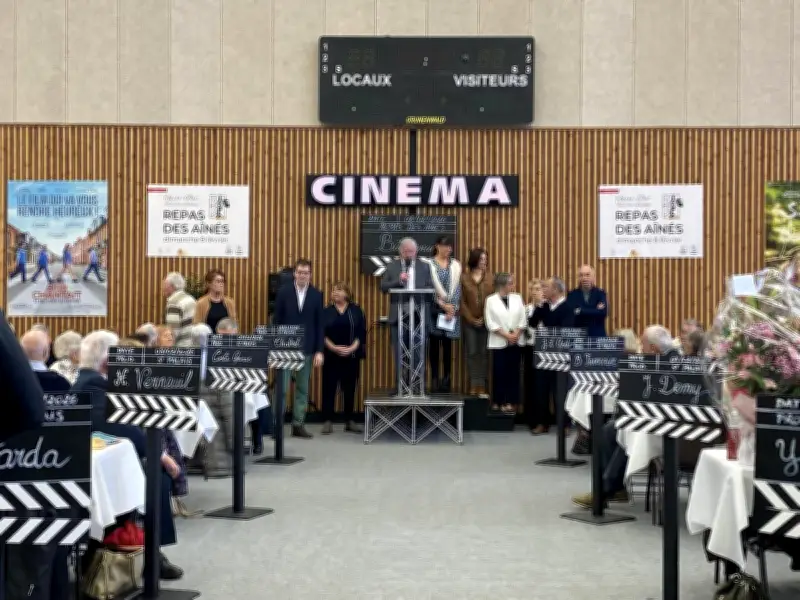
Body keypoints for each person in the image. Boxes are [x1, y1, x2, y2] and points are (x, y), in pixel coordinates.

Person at [71, 331, 183, 579]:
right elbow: (116, 426)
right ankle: (153, 554)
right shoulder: (93, 385)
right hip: (95, 469)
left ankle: (149, 550)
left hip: (99, 462)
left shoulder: (89, 381)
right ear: (108, 361)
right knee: (158, 475)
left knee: (154, 471)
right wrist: (160, 454)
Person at [571, 325, 677, 509]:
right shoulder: (654, 358)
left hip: (667, 428)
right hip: (646, 418)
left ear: (653, 347)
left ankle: (603, 490)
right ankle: (617, 488)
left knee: (629, 433)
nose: (639, 346)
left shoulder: (674, 363)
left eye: (642, 343)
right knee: (607, 431)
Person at [273, 259, 324, 439]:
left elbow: (319, 325)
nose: (303, 275)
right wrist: (275, 347)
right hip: (285, 349)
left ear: (310, 274)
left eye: (306, 272)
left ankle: (298, 424)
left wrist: (319, 351)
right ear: (294, 273)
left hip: (308, 348)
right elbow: (276, 321)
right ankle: (276, 425)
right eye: (300, 272)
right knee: (282, 389)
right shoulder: (283, 292)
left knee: (302, 389)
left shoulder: (317, 295)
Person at [380, 238, 435, 396]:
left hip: (418, 317)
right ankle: (400, 386)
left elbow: (431, 287)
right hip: (398, 318)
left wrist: (423, 289)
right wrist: (398, 280)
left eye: (411, 251)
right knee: (399, 353)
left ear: (416, 252)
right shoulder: (392, 266)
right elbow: (383, 287)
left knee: (418, 353)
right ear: (400, 252)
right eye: (405, 251)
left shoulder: (425, 266)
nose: (408, 254)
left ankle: (418, 386)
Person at [528, 277, 575, 434]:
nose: (543, 290)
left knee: (560, 390)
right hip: (543, 353)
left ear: (555, 290)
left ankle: (565, 424)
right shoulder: (545, 306)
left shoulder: (568, 307)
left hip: (561, 355)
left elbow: (566, 329)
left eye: (546, 287)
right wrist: (538, 306)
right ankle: (542, 422)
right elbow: (533, 323)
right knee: (541, 388)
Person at [321, 282, 366, 434]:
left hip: (351, 355)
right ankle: (327, 420)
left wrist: (352, 348)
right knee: (329, 388)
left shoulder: (356, 310)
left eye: (339, 290)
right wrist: (333, 348)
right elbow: (322, 334)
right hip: (331, 355)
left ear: (347, 293)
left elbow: (361, 333)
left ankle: (349, 420)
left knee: (350, 388)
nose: (335, 293)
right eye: (333, 290)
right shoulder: (326, 311)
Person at [484, 273, 527, 413]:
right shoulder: (490, 300)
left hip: (516, 341)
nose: (513, 285)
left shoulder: (517, 298)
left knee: (514, 373)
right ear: (502, 285)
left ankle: (511, 401)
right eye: (510, 283)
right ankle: (498, 400)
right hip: (499, 341)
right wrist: (506, 335)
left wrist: (516, 334)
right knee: (499, 373)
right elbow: (490, 322)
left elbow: (523, 318)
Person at [427, 236, 461, 393]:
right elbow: (428, 288)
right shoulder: (429, 265)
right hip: (434, 310)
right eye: (446, 246)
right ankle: (434, 379)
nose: (449, 249)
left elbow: (457, 289)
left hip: (450, 314)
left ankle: (446, 379)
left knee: (447, 346)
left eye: (450, 246)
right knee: (434, 345)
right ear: (437, 246)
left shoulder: (455, 265)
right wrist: (443, 305)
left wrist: (452, 308)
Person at [460, 248, 493, 397]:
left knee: (484, 353)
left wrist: (485, 318)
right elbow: (461, 302)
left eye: (485, 259)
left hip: (487, 322)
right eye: (481, 259)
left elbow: (494, 301)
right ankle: (474, 384)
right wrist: (471, 319)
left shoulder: (491, 278)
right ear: (474, 260)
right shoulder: (464, 278)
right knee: (472, 353)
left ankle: (483, 385)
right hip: (469, 323)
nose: (484, 262)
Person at [523, 279, 544, 432]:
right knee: (530, 384)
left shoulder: (547, 308)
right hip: (529, 348)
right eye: (533, 289)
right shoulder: (526, 309)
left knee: (541, 386)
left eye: (538, 289)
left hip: (544, 349)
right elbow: (526, 327)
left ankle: (542, 420)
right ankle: (531, 419)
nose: (536, 291)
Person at [567, 264, 608, 337]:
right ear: (578, 278)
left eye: (587, 275)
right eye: (581, 275)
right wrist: (595, 310)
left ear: (593, 277)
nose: (584, 278)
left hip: (598, 338)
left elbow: (603, 313)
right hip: (579, 338)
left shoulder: (601, 293)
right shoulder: (572, 295)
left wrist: (581, 310)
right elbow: (572, 314)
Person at [194, 269, 238, 333]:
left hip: (226, 340)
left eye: (222, 281)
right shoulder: (201, 303)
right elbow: (196, 326)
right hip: (208, 341)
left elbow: (234, 324)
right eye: (218, 281)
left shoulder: (230, 302)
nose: (221, 284)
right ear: (209, 284)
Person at [163, 272, 196, 346]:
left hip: (181, 346)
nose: (163, 288)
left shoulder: (174, 302)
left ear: (172, 286)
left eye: (165, 285)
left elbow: (173, 331)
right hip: (193, 344)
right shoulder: (191, 299)